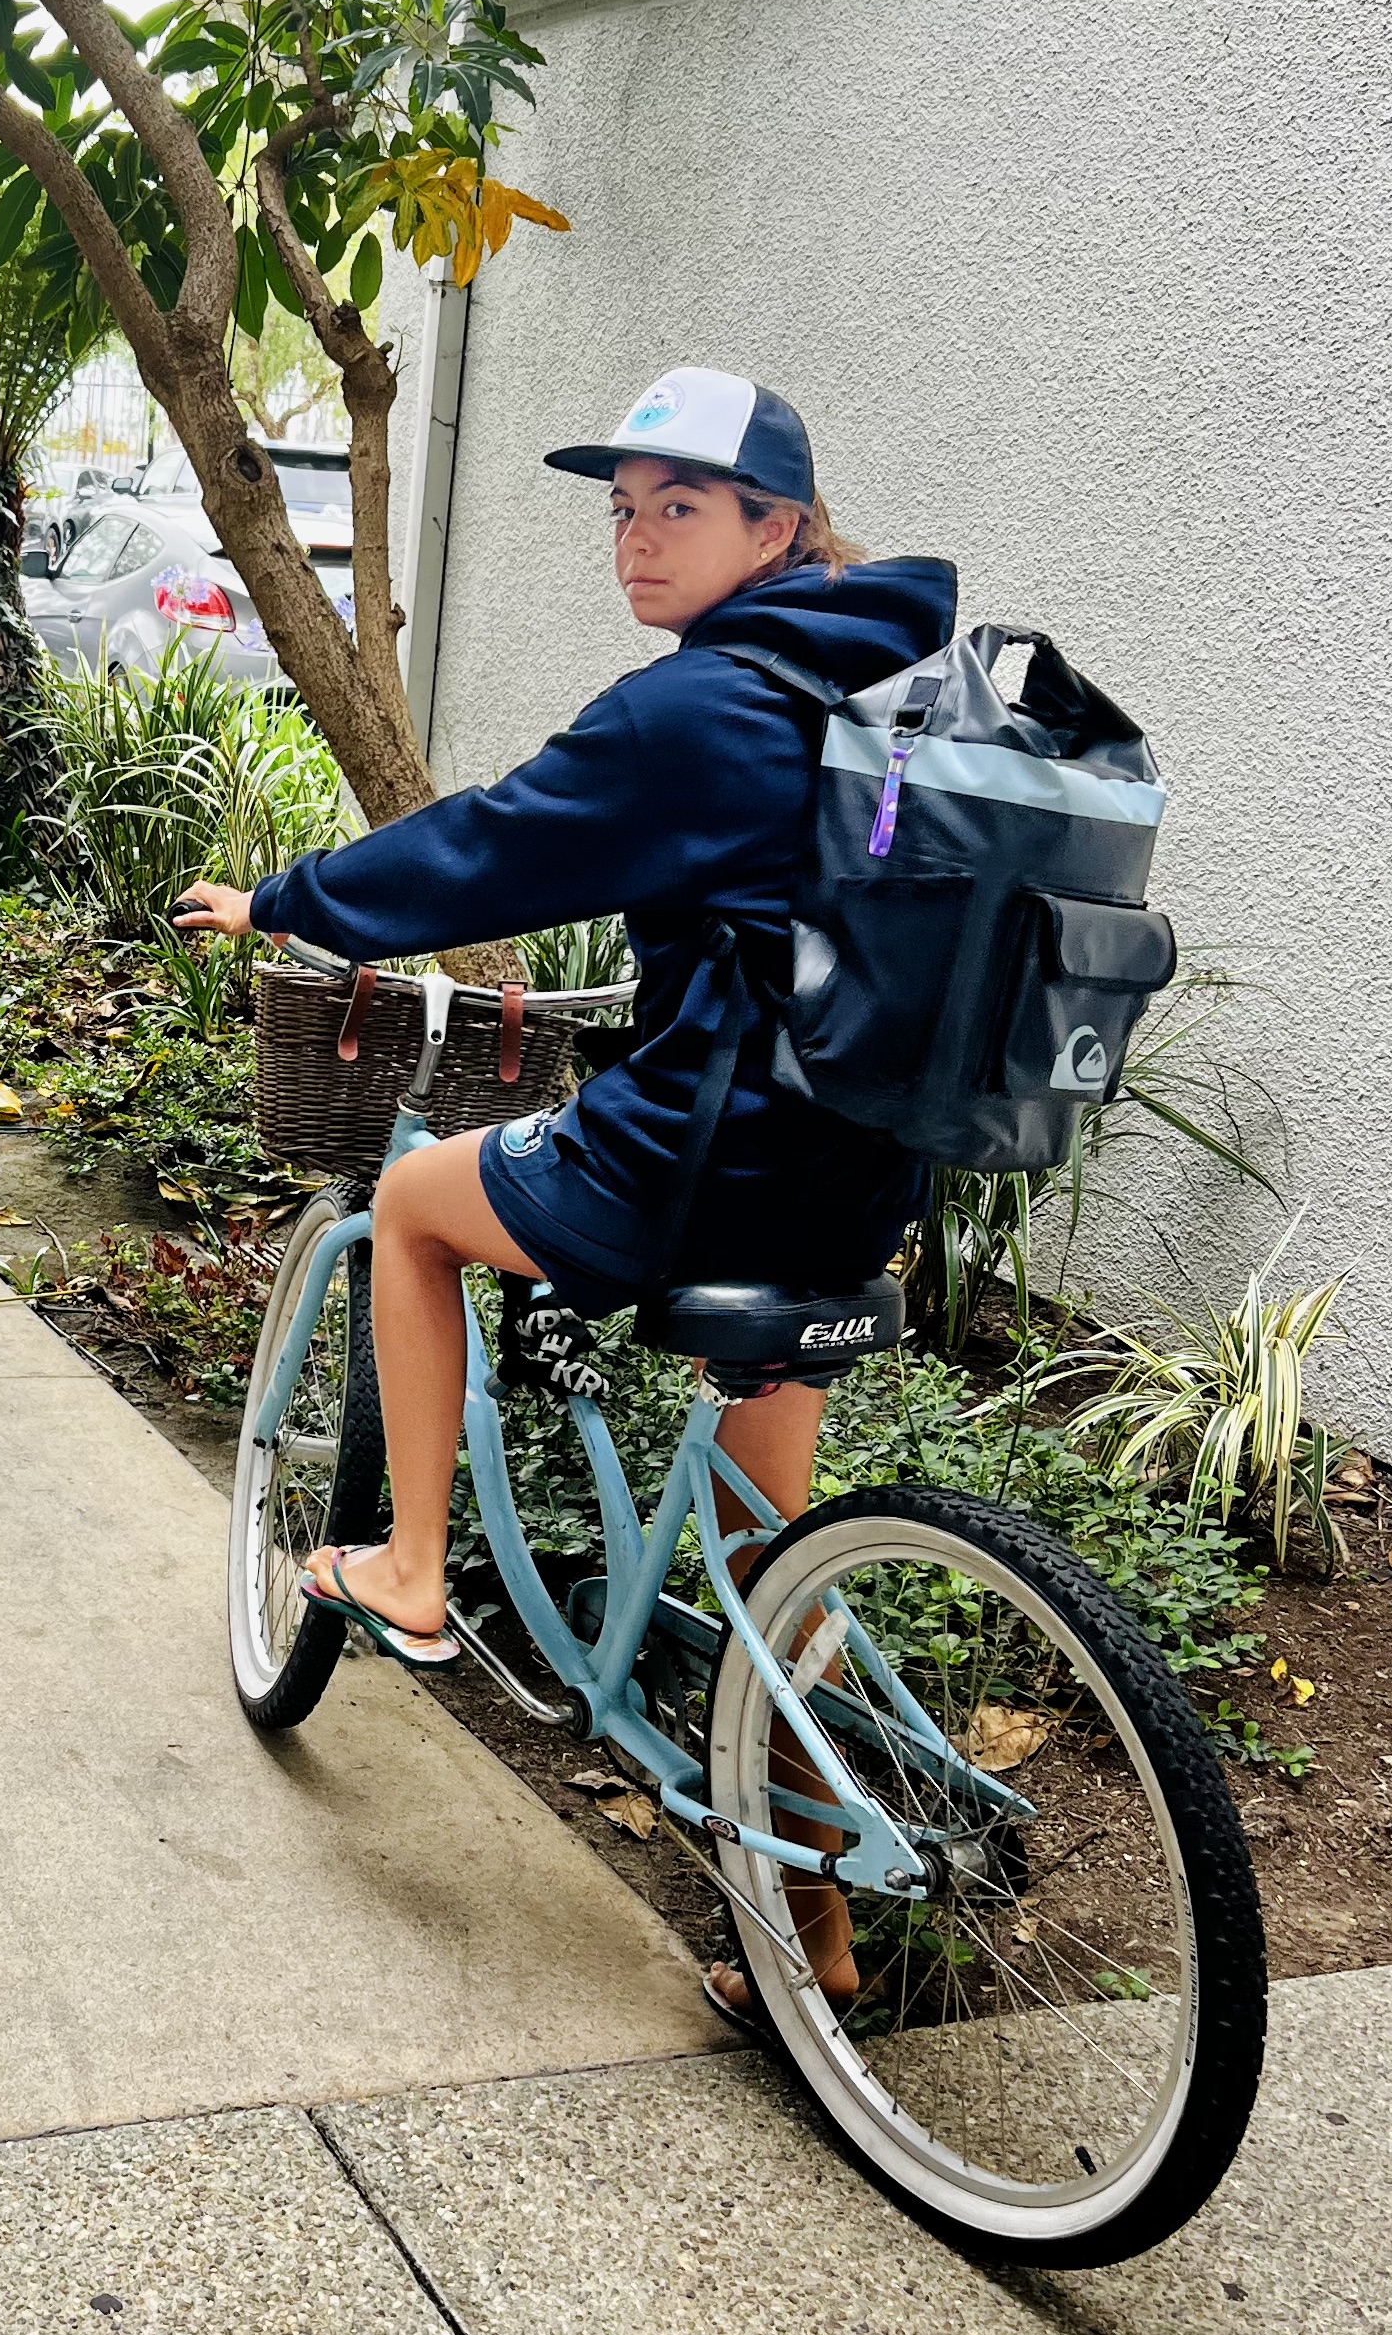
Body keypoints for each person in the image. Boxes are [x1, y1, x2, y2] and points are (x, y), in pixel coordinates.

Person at [179, 366, 954, 2025]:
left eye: (681, 507)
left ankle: (401, 1563)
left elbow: (490, 848)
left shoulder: (701, 711)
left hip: (708, 1160)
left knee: (415, 1212)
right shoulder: (895, 691)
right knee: (764, 1558)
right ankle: (811, 1940)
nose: (637, 539)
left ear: (780, 527)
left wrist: (285, 899)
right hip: (855, 1169)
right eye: (622, 508)